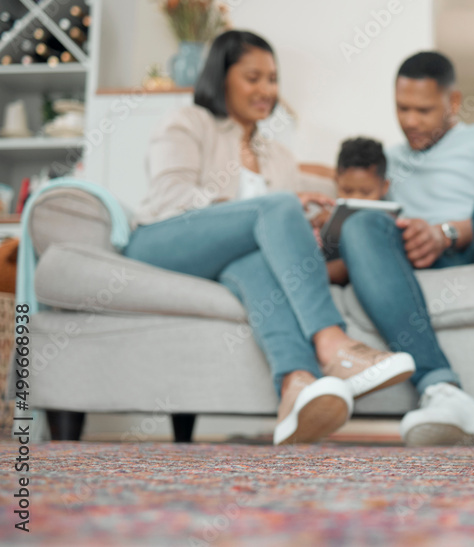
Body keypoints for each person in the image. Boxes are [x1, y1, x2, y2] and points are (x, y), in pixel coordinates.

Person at [126, 30, 415, 445]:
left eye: (273, 79)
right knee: (279, 206)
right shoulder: (188, 122)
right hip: (162, 243)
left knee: (259, 260)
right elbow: (172, 199)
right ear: (221, 77)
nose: (267, 90)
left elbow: (270, 228)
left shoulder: (278, 156)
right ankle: (332, 345)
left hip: (231, 260)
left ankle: (297, 387)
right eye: (253, 77)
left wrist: (306, 230)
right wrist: (273, 209)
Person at [338, 51, 474, 446]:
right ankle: (442, 389)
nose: (410, 121)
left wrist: (443, 233)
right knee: (360, 222)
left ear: (453, 103)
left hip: (471, 244)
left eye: (423, 110)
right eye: (402, 109)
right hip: (406, 257)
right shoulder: (388, 159)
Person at [324, 137, 391, 286]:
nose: (355, 199)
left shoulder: (389, 220)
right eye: (347, 191)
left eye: (366, 193)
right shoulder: (324, 214)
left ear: (384, 187)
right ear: (336, 180)